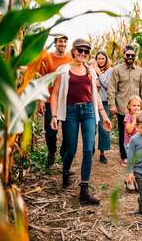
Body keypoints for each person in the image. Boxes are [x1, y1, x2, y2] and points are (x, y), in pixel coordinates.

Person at [50, 38, 111, 205]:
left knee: (89, 148)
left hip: (89, 111)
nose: (83, 54)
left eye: (86, 52)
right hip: (70, 112)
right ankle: (66, 171)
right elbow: (54, 94)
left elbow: (95, 94)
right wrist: (54, 116)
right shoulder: (63, 70)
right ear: (74, 51)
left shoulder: (90, 71)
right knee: (70, 148)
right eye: (80, 51)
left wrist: (104, 116)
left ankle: (84, 189)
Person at [28, 34, 71, 168]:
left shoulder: (70, 57)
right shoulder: (47, 57)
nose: (62, 44)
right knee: (50, 131)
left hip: (65, 100)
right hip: (49, 100)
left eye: (64, 42)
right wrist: (41, 100)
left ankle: (64, 152)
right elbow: (41, 79)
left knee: (68, 130)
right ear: (55, 43)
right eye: (60, 42)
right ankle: (51, 151)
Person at [107, 45, 142, 166]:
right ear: (124, 55)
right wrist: (112, 104)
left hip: (137, 107)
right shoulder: (117, 70)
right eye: (128, 55)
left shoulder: (139, 71)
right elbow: (112, 88)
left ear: (135, 56)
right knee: (124, 132)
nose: (130, 57)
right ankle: (124, 156)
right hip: (122, 107)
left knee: (138, 132)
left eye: (132, 55)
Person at [93, 51, 112, 164]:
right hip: (93, 102)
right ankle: (91, 148)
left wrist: (99, 73)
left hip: (104, 103)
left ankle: (102, 153)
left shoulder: (110, 71)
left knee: (104, 129)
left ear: (106, 59)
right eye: (98, 58)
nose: (100, 61)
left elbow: (106, 85)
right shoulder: (91, 69)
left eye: (102, 59)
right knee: (93, 127)